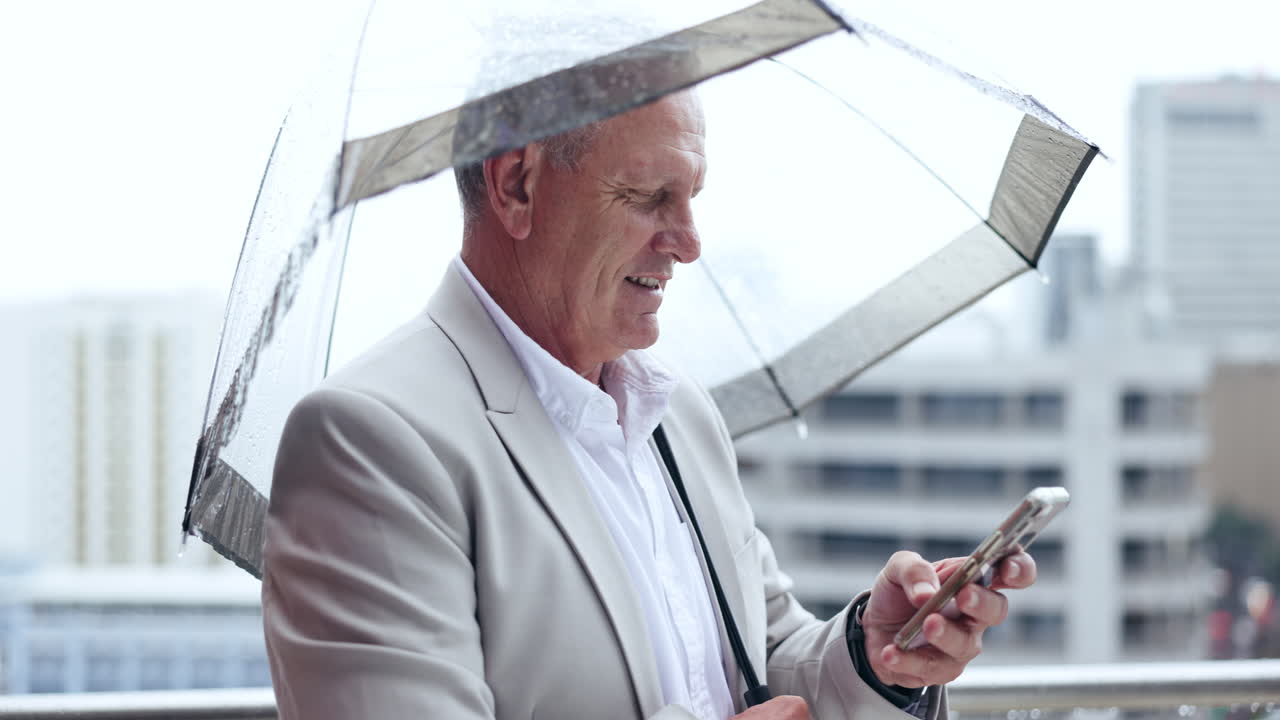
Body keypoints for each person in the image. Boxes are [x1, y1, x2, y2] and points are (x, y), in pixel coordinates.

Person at [261, 90, 1036, 720]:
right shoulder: (368, 441)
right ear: (516, 184)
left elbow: (761, 662)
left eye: (690, 197)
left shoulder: (678, 410)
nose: (689, 242)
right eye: (647, 197)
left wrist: (875, 657)